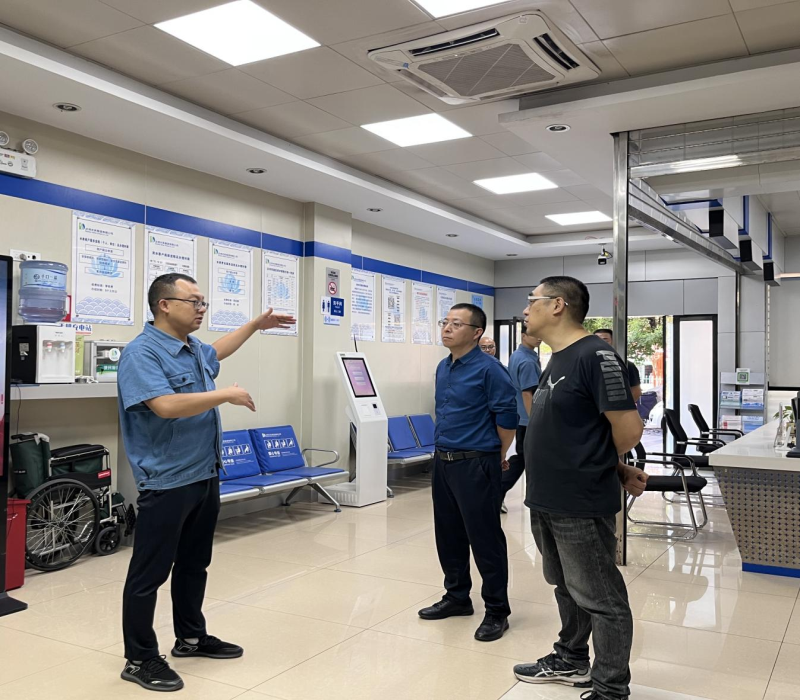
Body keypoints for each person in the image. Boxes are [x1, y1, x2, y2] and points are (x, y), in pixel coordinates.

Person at [117, 273, 295, 693]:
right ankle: (139, 658)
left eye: (203, 302)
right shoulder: (142, 354)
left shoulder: (192, 348)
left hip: (203, 472)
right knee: (149, 574)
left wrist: (255, 325)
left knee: (194, 564)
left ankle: (191, 638)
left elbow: (218, 350)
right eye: (194, 301)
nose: (201, 309)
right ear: (164, 305)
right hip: (167, 479)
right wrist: (224, 395)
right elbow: (164, 405)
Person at [514, 277, 647, 700]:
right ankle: (571, 658)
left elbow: (628, 430)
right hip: (547, 497)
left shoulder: (595, 355)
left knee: (601, 597)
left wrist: (601, 465)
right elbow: (577, 428)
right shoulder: (558, 357)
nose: (525, 310)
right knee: (566, 586)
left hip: (578, 500)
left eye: (532, 301)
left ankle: (610, 688)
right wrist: (613, 465)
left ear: (557, 305)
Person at [418, 303, 518, 642]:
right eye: (445, 322)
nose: (447, 328)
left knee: (485, 537)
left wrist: (497, 454)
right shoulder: (443, 367)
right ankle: (457, 596)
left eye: (456, 324)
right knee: (448, 533)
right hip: (443, 461)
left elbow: (507, 419)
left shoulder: (491, 370)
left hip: (476, 462)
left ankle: (497, 610)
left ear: (476, 333)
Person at [500, 328, 541, 513]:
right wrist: (535, 421)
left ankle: (497, 490)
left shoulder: (518, 355)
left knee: (523, 457)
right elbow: (527, 393)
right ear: (523, 336)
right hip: (526, 419)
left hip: (520, 417)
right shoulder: (526, 361)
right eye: (534, 334)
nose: (539, 338)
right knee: (524, 458)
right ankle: (497, 490)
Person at [593, 329, 642, 403]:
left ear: (613, 342)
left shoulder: (627, 365)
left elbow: (636, 391)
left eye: (605, 340)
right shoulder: (587, 364)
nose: (600, 344)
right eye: (597, 341)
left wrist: (623, 406)